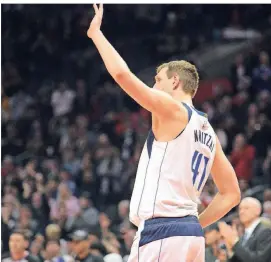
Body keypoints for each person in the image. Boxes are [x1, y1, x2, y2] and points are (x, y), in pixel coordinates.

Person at [87, 4, 241, 261]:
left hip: (162, 232)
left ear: (175, 82)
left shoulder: (173, 109)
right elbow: (232, 193)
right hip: (187, 234)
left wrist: (96, 35)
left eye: (158, 79)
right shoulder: (208, 131)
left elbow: (122, 75)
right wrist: (193, 225)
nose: (153, 85)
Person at [218, 197, 271, 262]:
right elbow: (242, 259)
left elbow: (259, 260)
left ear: (258, 211)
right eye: (240, 209)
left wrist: (235, 242)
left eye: (246, 208)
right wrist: (230, 251)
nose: (241, 212)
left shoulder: (265, 232)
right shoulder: (244, 235)